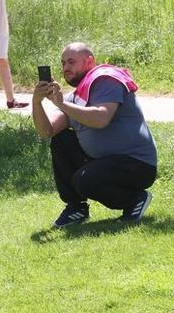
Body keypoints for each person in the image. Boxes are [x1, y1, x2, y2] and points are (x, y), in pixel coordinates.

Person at [32, 43, 158, 228]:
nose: (66, 68)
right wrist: (37, 103)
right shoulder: (75, 96)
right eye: (63, 63)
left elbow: (101, 118)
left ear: (89, 61)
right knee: (61, 139)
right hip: (105, 163)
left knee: (85, 180)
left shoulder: (106, 79)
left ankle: (134, 199)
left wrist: (62, 104)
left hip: (136, 164)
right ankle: (76, 208)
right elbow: (47, 131)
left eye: (71, 62)